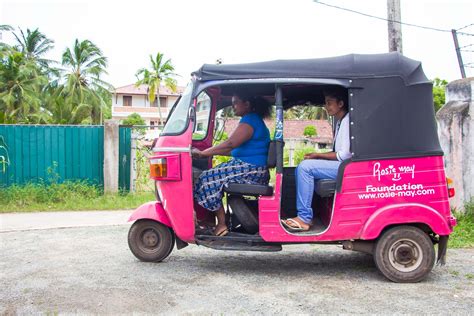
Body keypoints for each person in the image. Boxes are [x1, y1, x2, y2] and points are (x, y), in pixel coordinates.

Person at [192, 91, 272, 236]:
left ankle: (221, 223)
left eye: (236, 103)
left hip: (251, 169)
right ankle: (211, 220)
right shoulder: (253, 120)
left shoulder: (250, 120)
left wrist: (203, 153)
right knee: (209, 176)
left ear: (247, 104)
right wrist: (208, 152)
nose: (233, 107)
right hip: (251, 168)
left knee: (208, 178)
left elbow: (230, 144)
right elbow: (232, 150)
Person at [282, 86, 351, 232]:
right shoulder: (340, 121)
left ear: (340, 104)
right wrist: (317, 155)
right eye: (325, 103)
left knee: (305, 168)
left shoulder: (347, 121)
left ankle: (304, 218)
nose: (326, 107)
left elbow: (344, 155)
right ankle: (308, 215)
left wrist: (318, 155)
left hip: (348, 167)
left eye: (329, 102)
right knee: (303, 166)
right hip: (343, 165)